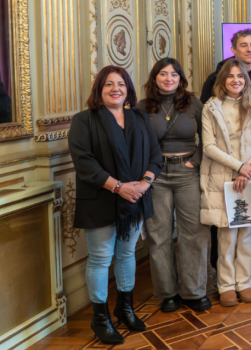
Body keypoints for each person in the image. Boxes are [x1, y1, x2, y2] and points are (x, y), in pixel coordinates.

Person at [69, 66, 163, 344]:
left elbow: (155, 155)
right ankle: (100, 319)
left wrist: (144, 184)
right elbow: (84, 162)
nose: (115, 89)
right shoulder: (84, 120)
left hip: (135, 199)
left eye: (120, 83)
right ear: (99, 90)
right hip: (100, 200)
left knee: (126, 255)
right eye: (108, 84)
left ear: (128, 89)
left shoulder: (140, 118)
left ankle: (125, 309)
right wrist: (119, 187)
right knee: (100, 259)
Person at [201, 28, 251, 275]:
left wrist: (249, 166)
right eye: (243, 45)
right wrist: (238, 167)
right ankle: (221, 268)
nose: (249, 48)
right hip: (225, 164)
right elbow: (207, 130)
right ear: (233, 49)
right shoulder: (214, 82)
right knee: (224, 218)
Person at [137, 58, 211, 313]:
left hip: (187, 172)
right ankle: (168, 293)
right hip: (156, 174)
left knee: (194, 233)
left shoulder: (194, 103)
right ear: (154, 77)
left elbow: (209, 138)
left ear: (181, 79)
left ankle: (194, 291)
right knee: (158, 235)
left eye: (174, 74)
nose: (169, 78)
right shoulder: (143, 106)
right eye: (163, 74)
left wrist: (195, 162)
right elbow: (138, 142)